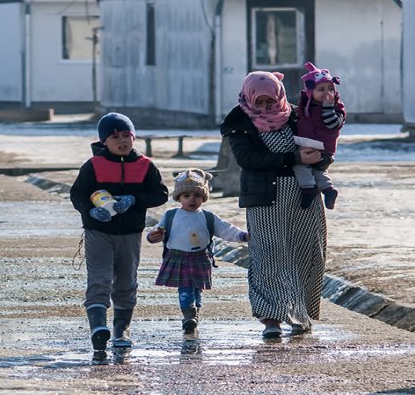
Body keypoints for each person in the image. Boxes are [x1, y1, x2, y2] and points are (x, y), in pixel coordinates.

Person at [220, 71, 326, 339]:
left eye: (271, 101)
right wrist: (293, 158)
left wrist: (319, 158)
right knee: (268, 256)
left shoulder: (297, 116)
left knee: (304, 252)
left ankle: (299, 312)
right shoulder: (239, 122)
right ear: (249, 98)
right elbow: (248, 159)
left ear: (280, 95)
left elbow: (323, 146)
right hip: (265, 199)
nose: (266, 107)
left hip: (303, 197)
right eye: (260, 102)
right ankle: (271, 318)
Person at [69, 112, 168, 355]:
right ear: (104, 141)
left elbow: (161, 194)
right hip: (98, 232)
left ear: (134, 138)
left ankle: (121, 330)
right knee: (100, 279)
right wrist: (91, 212)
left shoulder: (145, 165)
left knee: (126, 281)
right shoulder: (93, 165)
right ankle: (98, 328)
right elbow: (77, 195)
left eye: (127, 135)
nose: (122, 141)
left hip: (130, 233)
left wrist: (134, 199)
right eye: (115, 137)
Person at [146, 168, 248, 335]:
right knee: (185, 289)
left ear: (204, 197)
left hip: (201, 257)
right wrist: (154, 236)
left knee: (197, 289)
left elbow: (226, 230)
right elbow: (157, 232)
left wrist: (242, 236)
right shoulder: (171, 215)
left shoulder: (208, 217)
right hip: (178, 257)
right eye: (186, 196)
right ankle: (189, 316)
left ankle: (194, 313)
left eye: (197, 196)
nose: (192, 199)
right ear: (179, 198)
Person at [295, 62, 346, 209]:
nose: (327, 93)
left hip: (324, 151)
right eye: (321, 89)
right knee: (317, 172)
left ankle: (308, 189)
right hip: (309, 146)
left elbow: (333, 124)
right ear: (311, 92)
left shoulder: (337, 108)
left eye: (330, 89)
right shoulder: (305, 108)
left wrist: (329, 108)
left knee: (300, 165)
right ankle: (328, 190)